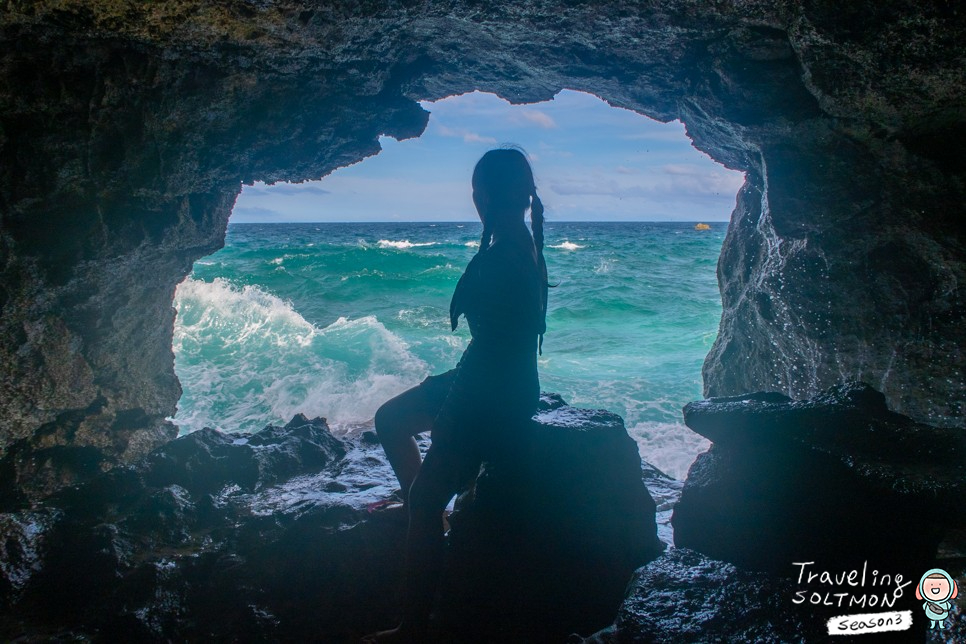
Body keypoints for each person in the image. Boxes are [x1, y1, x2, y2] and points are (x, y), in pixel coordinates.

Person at [363, 147, 549, 643]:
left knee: (424, 499)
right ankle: (426, 513)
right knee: (390, 419)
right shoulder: (517, 241)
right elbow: (501, 341)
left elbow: (496, 345)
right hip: (494, 376)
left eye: (475, 189)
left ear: (482, 194)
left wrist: (452, 415)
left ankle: (413, 627)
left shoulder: (507, 251)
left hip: (493, 391)